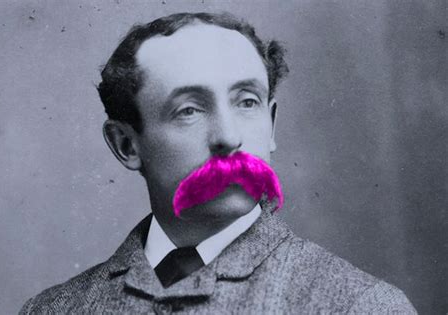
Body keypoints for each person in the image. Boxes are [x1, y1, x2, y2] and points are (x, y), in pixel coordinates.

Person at [20, 12, 416, 314]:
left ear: (271, 123)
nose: (229, 137)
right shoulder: (54, 309)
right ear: (126, 144)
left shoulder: (359, 305)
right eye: (189, 109)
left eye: (247, 102)